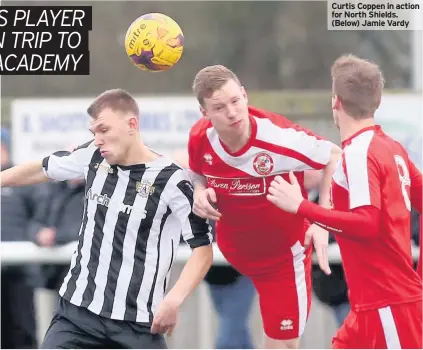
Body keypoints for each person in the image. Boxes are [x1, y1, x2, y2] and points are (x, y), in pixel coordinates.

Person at [0, 88, 213, 349]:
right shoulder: (91, 156)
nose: (98, 139)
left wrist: (174, 300)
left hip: (137, 326)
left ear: (131, 125)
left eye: (104, 130)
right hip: (77, 316)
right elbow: (42, 168)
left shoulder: (172, 181)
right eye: (94, 132)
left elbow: (202, 249)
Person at [266, 55, 422, 349]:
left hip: (388, 306)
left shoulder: (361, 152)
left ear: (335, 101)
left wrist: (302, 207)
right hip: (369, 308)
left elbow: (367, 223)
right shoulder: (390, 147)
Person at [187, 65, 342, 349]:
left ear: (245, 95)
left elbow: (335, 155)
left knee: (284, 344)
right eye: (219, 107)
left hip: (282, 259)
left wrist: (322, 220)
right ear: (204, 113)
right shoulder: (200, 137)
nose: (232, 112)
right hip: (233, 250)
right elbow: (196, 170)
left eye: (236, 101)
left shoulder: (277, 137)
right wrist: (198, 190)